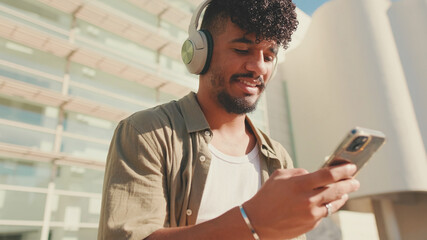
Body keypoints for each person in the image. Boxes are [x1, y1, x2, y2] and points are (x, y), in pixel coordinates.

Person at [97, 0, 360, 239]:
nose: (258, 67)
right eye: (243, 49)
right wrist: (251, 222)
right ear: (200, 52)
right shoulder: (147, 132)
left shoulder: (278, 157)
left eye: (268, 56)